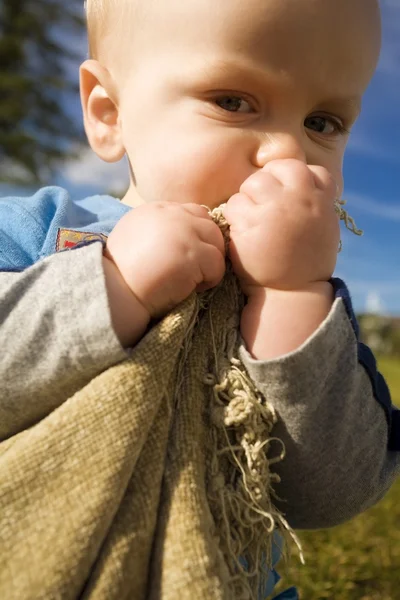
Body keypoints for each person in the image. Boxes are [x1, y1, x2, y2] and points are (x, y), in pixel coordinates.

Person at [1, 0, 399, 597]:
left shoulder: (311, 302)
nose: (288, 155)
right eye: (233, 102)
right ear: (110, 114)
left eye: (323, 122)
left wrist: (290, 297)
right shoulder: (42, 229)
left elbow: (334, 492)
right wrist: (113, 282)